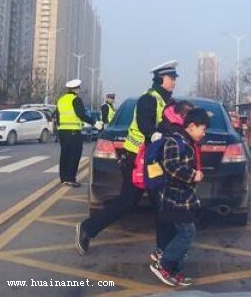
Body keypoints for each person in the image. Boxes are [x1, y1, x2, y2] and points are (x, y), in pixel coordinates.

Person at [76, 60, 179, 255]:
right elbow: (144, 124)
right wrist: (154, 134)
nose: (174, 82)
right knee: (129, 202)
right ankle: (87, 229)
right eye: (171, 78)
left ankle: (164, 251)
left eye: (174, 78)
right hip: (137, 159)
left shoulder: (166, 101)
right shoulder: (148, 99)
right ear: (161, 79)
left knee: (160, 203)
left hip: (153, 158)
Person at [150, 107, 209, 287]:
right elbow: (171, 166)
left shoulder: (190, 143)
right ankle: (164, 265)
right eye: (202, 129)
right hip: (174, 198)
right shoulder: (175, 141)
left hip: (185, 198)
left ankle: (176, 271)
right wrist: (193, 175)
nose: (204, 133)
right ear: (191, 126)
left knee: (180, 234)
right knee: (187, 232)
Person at [55, 79, 94, 187]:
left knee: (64, 154)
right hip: (73, 132)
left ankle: (63, 178)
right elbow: (81, 114)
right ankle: (70, 179)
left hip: (62, 131)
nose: (79, 90)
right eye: (79, 88)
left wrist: (59, 127)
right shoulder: (76, 99)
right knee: (74, 155)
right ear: (76, 89)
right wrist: (93, 122)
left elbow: (57, 115)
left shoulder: (61, 100)